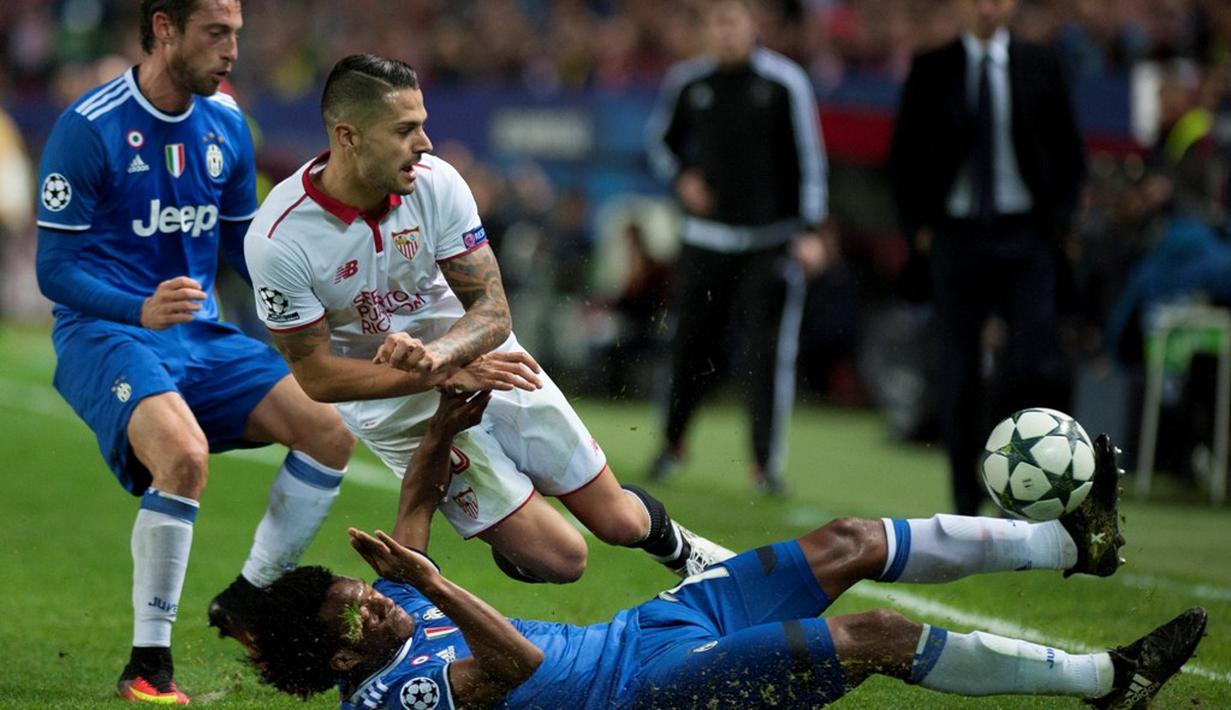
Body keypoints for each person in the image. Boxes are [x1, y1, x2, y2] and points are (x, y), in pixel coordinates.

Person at [243, 392, 1206, 709]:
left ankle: (1068, 544)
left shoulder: (386, 613)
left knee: (852, 542)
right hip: (650, 689)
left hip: (657, 624)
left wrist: (446, 426)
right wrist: (434, 588)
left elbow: (412, 507)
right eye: (355, 612)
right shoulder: (387, 695)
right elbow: (514, 665)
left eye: (357, 593)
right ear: (336, 660)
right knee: (871, 635)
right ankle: (1105, 679)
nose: (371, 601)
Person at [244, 54, 731, 591]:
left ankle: (684, 551)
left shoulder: (438, 183)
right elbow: (318, 378)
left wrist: (443, 356)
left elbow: (494, 309)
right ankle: (515, 532)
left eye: (422, 125)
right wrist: (435, 376)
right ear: (348, 136)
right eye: (405, 130)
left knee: (619, 522)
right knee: (564, 560)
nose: (424, 143)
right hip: (396, 408)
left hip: (487, 362)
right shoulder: (278, 239)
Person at [32, 1, 361, 704]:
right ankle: (148, 665)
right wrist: (137, 308)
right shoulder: (88, 128)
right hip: (106, 332)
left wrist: (320, 300)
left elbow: (248, 250)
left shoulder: (227, 125)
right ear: (163, 28)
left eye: (236, 34)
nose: (232, 50)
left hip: (201, 336)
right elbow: (53, 269)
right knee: (183, 456)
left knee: (328, 429)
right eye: (216, 33)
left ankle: (248, 597)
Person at [888, 0, 1087, 515]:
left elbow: (1070, 152)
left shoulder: (1040, 63)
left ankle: (1016, 488)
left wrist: (1058, 226)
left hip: (1026, 236)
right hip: (955, 236)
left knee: (1029, 364)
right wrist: (920, 230)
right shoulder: (931, 67)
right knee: (957, 371)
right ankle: (962, 498)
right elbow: (903, 154)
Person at [644, 0, 830, 494]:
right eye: (715, 23)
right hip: (705, 242)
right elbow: (660, 143)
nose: (724, 32)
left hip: (769, 242)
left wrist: (810, 229)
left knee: (767, 356)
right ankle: (670, 445)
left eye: (733, 21)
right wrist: (684, 177)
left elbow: (808, 160)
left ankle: (765, 466)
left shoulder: (784, 83)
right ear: (705, 31)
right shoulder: (687, 82)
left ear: (753, 27)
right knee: (689, 346)